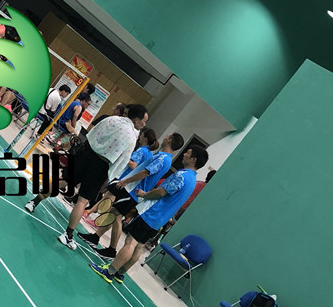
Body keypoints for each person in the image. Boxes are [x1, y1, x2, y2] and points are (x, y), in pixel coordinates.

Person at [24, 104, 148, 245]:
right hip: (101, 166)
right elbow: (122, 160)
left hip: (86, 154)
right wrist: (110, 178)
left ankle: (33, 202)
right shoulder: (131, 137)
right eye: (144, 121)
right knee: (82, 201)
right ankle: (67, 235)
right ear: (136, 120)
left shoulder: (111, 119)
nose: (144, 124)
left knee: (63, 180)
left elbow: (91, 134)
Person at [89, 144, 209, 284]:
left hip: (151, 214)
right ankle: (120, 273)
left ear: (193, 159)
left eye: (187, 153)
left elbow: (161, 192)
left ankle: (109, 271)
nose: (184, 154)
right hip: (159, 221)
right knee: (138, 246)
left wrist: (144, 194)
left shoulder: (182, 176)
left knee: (130, 243)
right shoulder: (193, 180)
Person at [80, 131, 184, 257]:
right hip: (131, 189)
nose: (165, 137)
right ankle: (95, 237)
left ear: (169, 140)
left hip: (133, 190)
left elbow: (145, 172)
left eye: (167, 136)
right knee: (113, 213)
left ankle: (111, 250)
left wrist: (126, 181)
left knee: (117, 217)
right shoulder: (162, 156)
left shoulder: (163, 159)